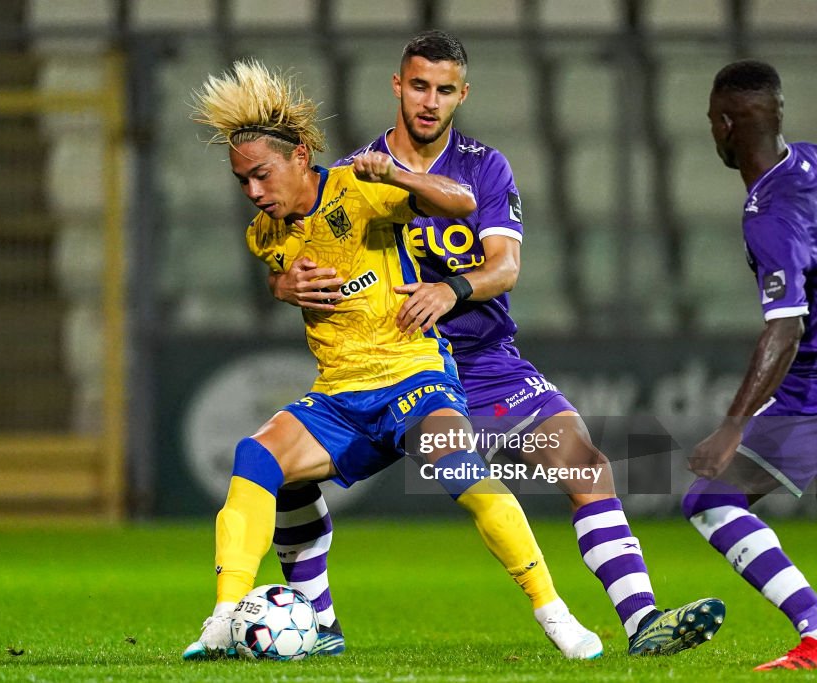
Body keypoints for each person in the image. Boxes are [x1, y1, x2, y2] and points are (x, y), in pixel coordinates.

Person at [270, 30, 723, 656]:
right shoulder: (353, 174)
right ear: (398, 85)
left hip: (484, 366)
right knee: (285, 476)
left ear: (462, 94)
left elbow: (504, 268)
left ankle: (643, 620)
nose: (430, 101)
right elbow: (290, 247)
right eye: (420, 85)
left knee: (584, 464)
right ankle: (317, 627)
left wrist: (453, 290)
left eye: (445, 90)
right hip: (392, 368)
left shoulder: (484, 166)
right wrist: (283, 281)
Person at [183, 58, 492, 660]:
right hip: (340, 389)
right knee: (261, 459)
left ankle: (554, 611)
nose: (252, 191)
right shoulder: (266, 231)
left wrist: (401, 176)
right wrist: (283, 287)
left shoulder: (358, 188)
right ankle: (232, 619)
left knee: (468, 477)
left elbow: (462, 203)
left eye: (260, 176)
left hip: (412, 367)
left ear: (299, 156)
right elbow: (280, 273)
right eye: (241, 181)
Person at [684, 59, 817, 672]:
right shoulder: (812, 164)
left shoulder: (770, 214)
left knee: (713, 497)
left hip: (809, 390)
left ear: (725, 123)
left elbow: (784, 330)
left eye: (714, 121)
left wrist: (733, 424)